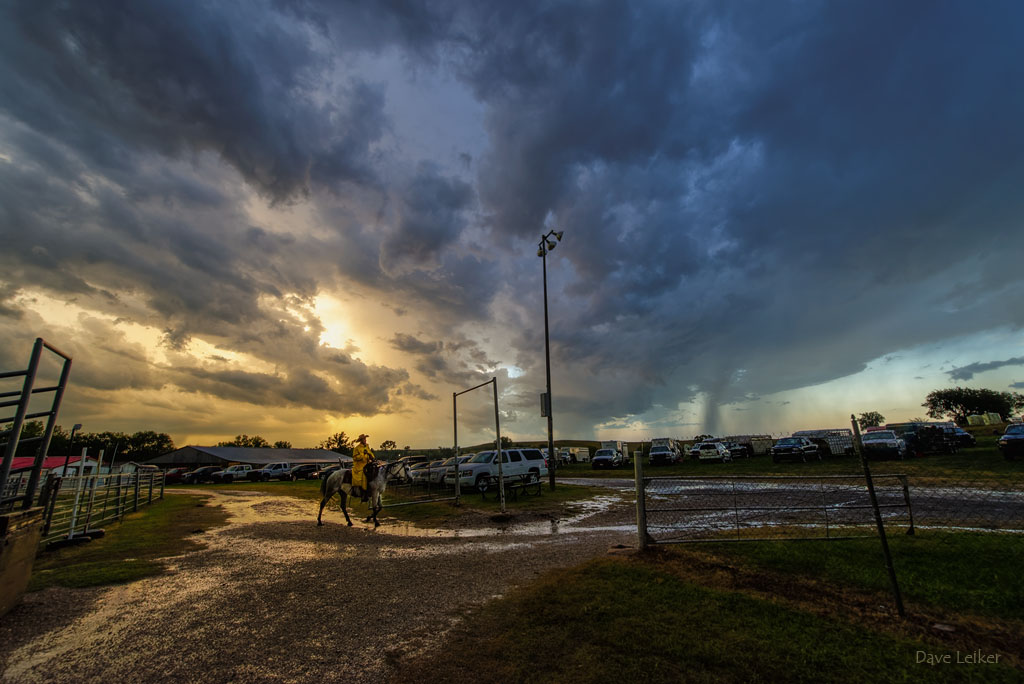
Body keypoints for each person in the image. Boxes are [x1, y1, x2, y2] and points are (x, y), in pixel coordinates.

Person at [351, 434, 375, 503]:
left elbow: (372, 455)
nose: (365, 440)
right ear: (361, 440)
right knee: (364, 475)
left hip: (367, 464)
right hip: (359, 466)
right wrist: (363, 455)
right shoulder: (357, 448)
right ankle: (364, 493)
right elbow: (355, 458)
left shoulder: (367, 446)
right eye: (364, 439)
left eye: (365, 439)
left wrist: (370, 455)